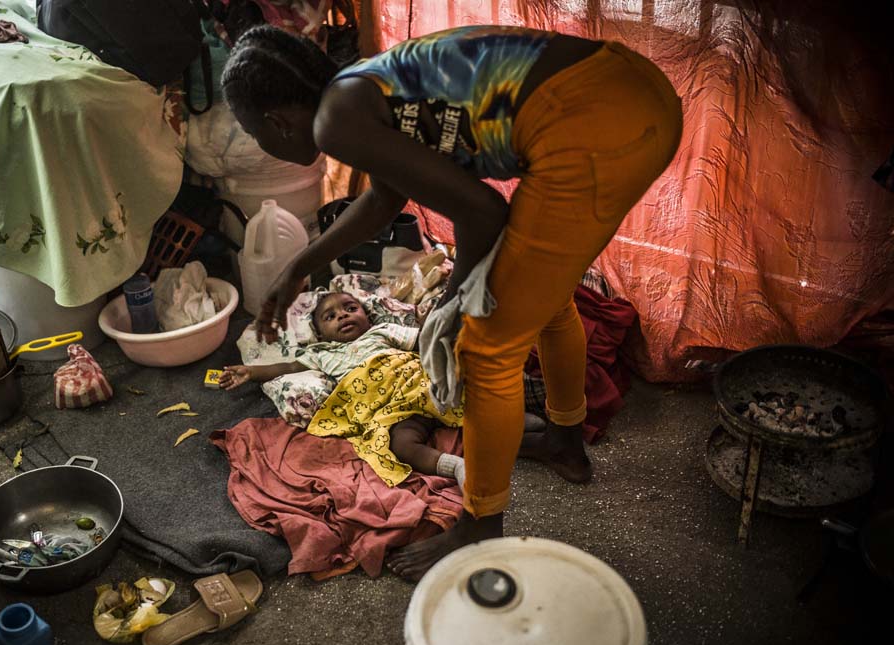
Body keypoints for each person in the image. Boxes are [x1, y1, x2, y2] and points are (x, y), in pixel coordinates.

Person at [222, 24, 683, 580]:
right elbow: (384, 199)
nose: (261, 145)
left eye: (253, 134)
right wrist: (299, 265)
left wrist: (456, 296)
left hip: (590, 126)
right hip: (632, 93)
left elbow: (483, 212)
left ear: (276, 122)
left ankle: (479, 526)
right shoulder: (358, 88)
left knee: (486, 346)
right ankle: (566, 439)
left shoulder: (335, 120)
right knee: (545, 299)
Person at [220, 292, 466, 487]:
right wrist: (251, 372)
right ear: (319, 333)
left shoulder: (381, 332)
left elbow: (425, 342)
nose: (342, 316)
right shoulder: (320, 354)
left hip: (417, 383)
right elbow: (288, 365)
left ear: (367, 315)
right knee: (400, 445)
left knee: (467, 387)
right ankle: (454, 466)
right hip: (393, 411)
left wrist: (430, 321)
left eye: (350, 308)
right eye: (330, 316)